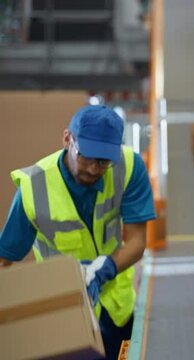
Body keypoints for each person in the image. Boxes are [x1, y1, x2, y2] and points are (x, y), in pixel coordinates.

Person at [0, 105, 156, 359]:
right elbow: (5, 257)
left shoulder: (128, 167)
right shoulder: (34, 187)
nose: (94, 169)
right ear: (67, 140)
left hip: (117, 306)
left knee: (125, 355)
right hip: (63, 310)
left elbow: (138, 241)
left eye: (104, 161)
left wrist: (104, 268)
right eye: (87, 156)